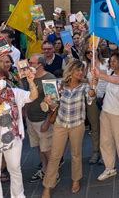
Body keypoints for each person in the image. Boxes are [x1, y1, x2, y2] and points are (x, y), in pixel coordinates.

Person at [42, 60, 97, 198]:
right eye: (77, 70)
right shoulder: (60, 85)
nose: (80, 73)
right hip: (60, 124)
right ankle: (48, 186)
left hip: (77, 125)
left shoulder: (84, 86)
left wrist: (92, 87)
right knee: (55, 156)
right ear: (70, 71)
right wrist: (49, 102)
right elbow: (54, 105)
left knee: (76, 154)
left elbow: (91, 96)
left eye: (82, 70)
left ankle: (76, 180)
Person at [0, 67, 38, 198]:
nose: (1, 81)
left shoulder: (14, 92)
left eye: (4, 79)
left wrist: (31, 82)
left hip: (13, 138)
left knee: (15, 169)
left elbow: (32, 96)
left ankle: (18, 195)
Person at [92, 53, 119, 181]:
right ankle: (109, 168)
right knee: (105, 142)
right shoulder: (111, 75)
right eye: (110, 62)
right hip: (106, 113)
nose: (111, 64)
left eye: (114, 61)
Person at [26, 55, 57, 182]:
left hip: (42, 120)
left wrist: (47, 121)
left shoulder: (49, 78)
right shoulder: (30, 78)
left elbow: (54, 104)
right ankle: (44, 170)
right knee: (40, 148)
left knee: (47, 150)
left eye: (32, 63)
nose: (29, 65)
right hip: (31, 119)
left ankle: (53, 175)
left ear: (40, 64)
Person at [83, 45, 108, 164]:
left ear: (97, 51)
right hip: (92, 98)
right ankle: (95, 152)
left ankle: (105, 153)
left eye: (92, 51)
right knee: (94, 127)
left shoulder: (107, 63)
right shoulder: (85, 66)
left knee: (105, 127)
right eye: (88, 52)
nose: (90, 54)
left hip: (106, 97)